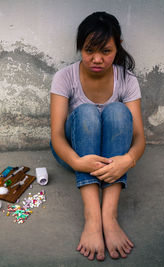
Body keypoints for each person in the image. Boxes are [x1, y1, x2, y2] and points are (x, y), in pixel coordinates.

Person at [50, 11, 145, 261]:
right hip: (73, 151)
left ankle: (109, 216)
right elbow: (57, 137)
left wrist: (129, 160)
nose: (97, 59)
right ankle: (92, 218)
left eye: (106, 51)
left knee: (117, 111)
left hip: (114, 154)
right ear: (80, 46)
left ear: (118, 47)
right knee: (87, 112)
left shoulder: (127, 80)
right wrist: (76, 162)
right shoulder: (64, 77)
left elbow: (138, 138)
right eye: (89, 50)